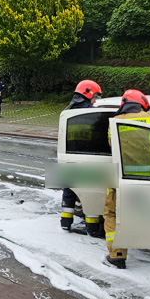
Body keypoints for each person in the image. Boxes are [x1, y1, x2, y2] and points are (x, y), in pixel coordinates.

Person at [104, 89, 150, 269]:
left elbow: (110, 145)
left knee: (113, 214)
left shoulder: (114, 122)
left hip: (122, 178)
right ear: (142, 104)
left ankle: (117, 255)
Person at [60, 80, 104, 235]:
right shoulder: (92, 114)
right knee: (91, 191)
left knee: (69, 190)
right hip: (89, 158)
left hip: (69, 157)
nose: (95, 100)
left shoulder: (68, 112)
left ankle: (65, 222)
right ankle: (93, 228)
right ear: (88, 93)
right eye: (95, 96)